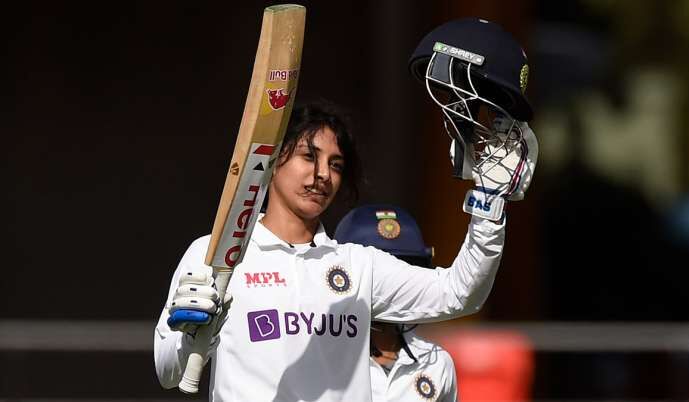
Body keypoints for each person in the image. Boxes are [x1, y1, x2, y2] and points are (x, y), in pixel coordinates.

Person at [154, 17, 538, 402]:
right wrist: (192, 338)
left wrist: (489, 203)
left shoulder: (358, 266)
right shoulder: (215, 253)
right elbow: (169, 373)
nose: (322, 174)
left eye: (335, 164)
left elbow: (460, 293)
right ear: (272, 161)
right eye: (308, 156)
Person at [334, 204, 458, 402]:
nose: (392, 289)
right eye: (379, 277)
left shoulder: (437, 362)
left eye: (403, 276)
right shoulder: (320, 354)